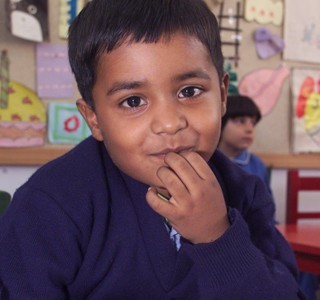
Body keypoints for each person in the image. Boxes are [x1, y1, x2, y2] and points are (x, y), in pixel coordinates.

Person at [0, 0, 304, 298]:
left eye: (190, 91)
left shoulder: (245, 193)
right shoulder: (49, 206)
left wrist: (218, 238)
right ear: (93, 117)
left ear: (222, 94)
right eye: (133, 101)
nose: (170, 123)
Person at [219, 95, 273, 197]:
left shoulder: (257, 165)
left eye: (252, 123)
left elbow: (266, 208)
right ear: (221, 123)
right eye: (240, 121)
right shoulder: (207, 162)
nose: (249, 129)